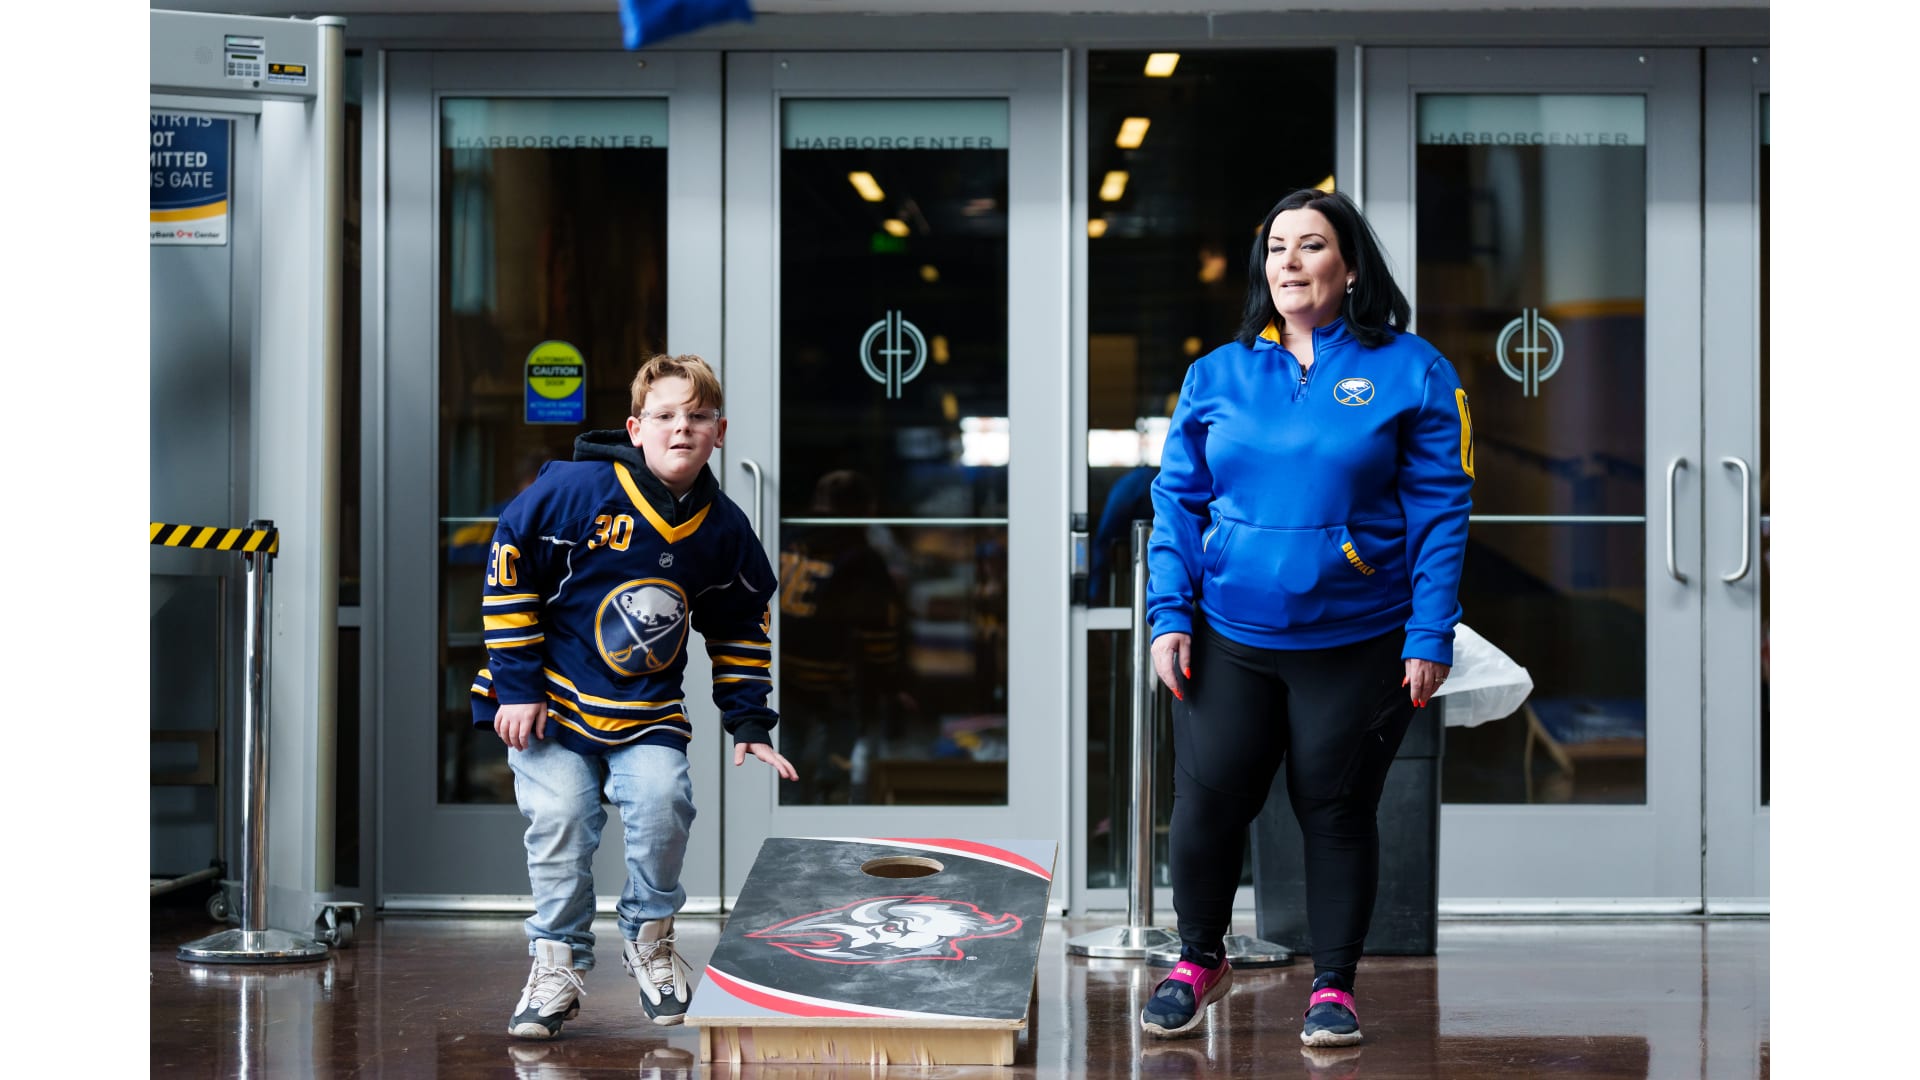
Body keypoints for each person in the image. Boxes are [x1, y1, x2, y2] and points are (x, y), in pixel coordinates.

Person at [1138, 189, 1473, 1046]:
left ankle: (1333, 987)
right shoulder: (1217, 374)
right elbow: (1176, 502)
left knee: (1335, 809)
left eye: (1311, 244)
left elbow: (1442, 510)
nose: (1288, 261)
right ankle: (1198, 958)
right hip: (1229, 635)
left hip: (1359, 638)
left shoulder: (1414, 370)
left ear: (1350, 267)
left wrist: (1429, 631)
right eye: (1276, 246)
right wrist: (1168, 615)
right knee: (1208, 803)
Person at [469, 353, 798, 1040]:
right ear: (635, 428)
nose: (682, 428)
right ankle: (555, 962)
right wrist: (518, 687)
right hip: (549, 702)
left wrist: (749, 721)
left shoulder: (724, 529)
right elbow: (508, 571)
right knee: (562, 819)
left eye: (698, 417)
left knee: (663, 803)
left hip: (645, 709)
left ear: (720, 432)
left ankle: (650, 938)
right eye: (666, 415)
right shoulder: (576, 492)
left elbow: (740, 624)